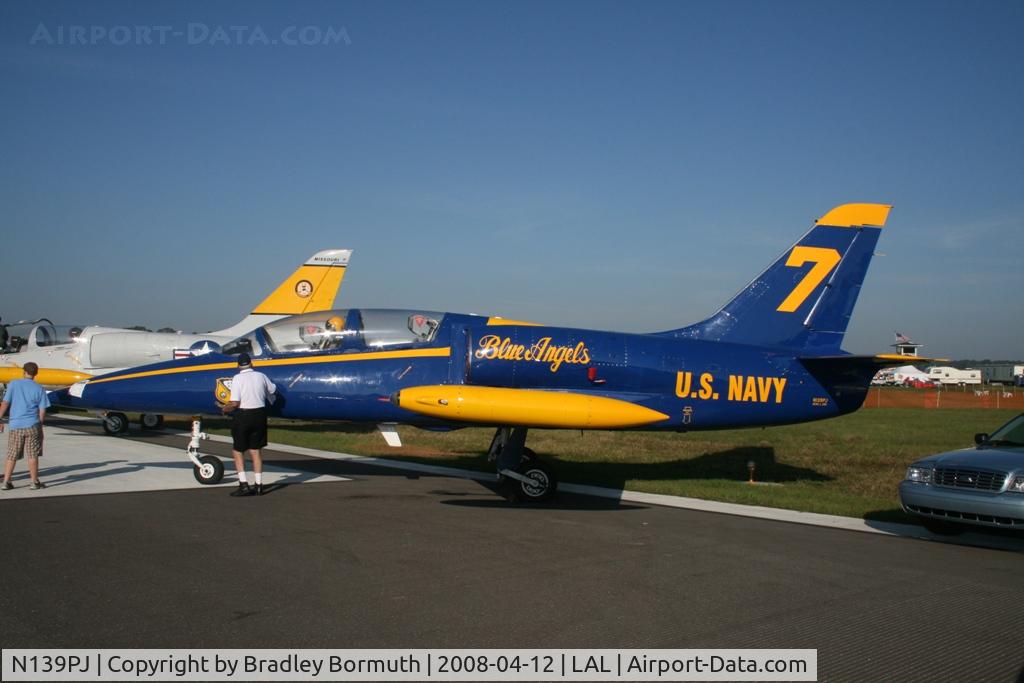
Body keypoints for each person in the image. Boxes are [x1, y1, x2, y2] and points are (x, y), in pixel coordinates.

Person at [220, 352, 276, 496]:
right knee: (255, 450)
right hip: (260, 414)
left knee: (238, 451)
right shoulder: (261, 376)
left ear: (238, 365)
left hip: (243, 415)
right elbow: (272, 389)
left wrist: (224, 409)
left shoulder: (238, 378)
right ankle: (259, 485)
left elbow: (235, 403)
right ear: (251, 363)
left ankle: (243, 484)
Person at [0, 362, 51, 490]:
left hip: (16, 425)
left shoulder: (14, 384)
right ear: (36, 373)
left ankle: (6, 481)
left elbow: (5, 403)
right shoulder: (39, 388)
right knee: (32, 454)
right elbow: (42, 410)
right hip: (32, 424)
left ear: (24, 371)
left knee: (12, 454)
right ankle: (34, 482)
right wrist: (39, 424)